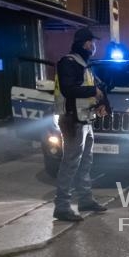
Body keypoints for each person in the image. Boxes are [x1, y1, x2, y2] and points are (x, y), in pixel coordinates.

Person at [52, 27, 112, 222]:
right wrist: (92, 92)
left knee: (85, 163)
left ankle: (85, 200)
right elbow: (70, 89)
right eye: (92, 42)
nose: (94, 46)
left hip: (86, 119)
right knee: (70, 164)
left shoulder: (85, 64)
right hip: (72, 120)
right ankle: (62, 207)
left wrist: (103, 104)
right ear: (86, 43)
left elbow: (99, 86)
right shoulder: (68, 63)